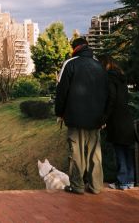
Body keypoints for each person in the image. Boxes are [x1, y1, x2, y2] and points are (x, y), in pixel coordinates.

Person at [55, 37, 109, 194]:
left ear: (74, 48)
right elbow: (106, 93)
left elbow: (61, 91)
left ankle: (77, 186)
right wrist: (104, 117)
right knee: (95, 154)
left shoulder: (70, 64)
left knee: (76, 153)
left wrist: (59, 112)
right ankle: (97, 186)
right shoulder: (99, 66)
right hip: (96, 119)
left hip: (75, 118)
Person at [98, 55, 137, 190]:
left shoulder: (109, 78)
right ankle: (130, 180)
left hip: (116, 120)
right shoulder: (121, 79)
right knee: (127, 151)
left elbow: (111, 99)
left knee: (119, 150)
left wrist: (104, 118)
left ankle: (122, 181)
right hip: (127, 118)